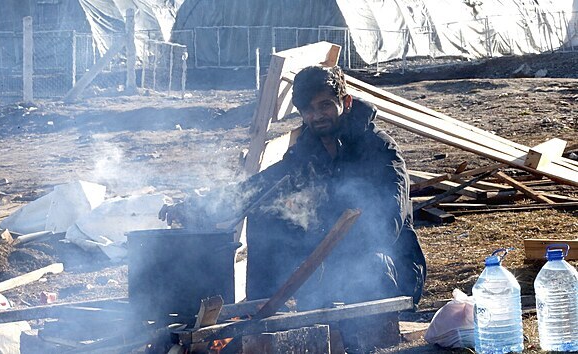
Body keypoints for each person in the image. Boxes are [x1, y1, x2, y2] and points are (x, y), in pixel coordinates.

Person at [160, 65, 426, 312]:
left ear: (346, 103)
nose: (318, 115)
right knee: (265, 217)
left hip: (389, 267)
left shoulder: (381, 151)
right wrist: (199, 207)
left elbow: (386, 227)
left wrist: (324, 258)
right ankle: (263, 318)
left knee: (368, 264)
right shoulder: (307, 153)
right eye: (309, 109)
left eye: (325, 105)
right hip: (328, 266)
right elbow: (258, 187)